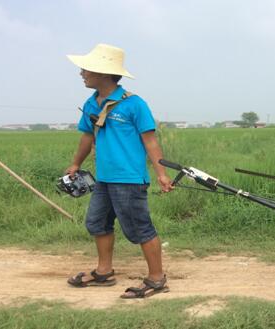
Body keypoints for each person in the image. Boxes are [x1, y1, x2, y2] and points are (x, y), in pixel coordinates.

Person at [65, 43, 173, 298]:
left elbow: (150, 141)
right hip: (103, 178)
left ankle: (157, 279)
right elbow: (85, 138)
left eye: (86, 69)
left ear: (103, 73)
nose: (82, 73)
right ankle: (104, 272)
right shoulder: (91, 104)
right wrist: (76, 164)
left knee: (139, 228)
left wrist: (161, 173)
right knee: (97, 223)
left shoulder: (134, 104)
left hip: (129, 179)